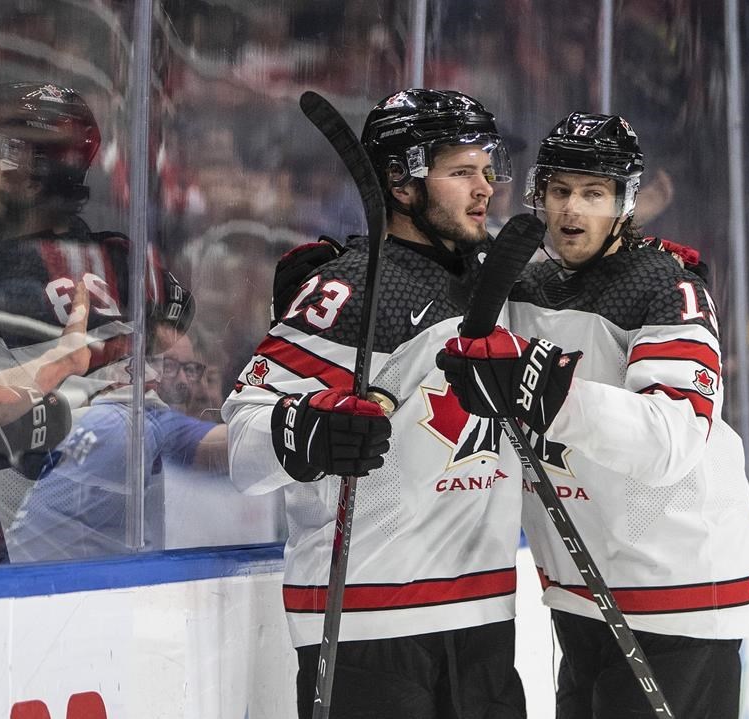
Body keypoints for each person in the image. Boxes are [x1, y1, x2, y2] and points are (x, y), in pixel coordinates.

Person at [437, 113, 749, 718]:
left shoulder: (667, 287)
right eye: (560, 191)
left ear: (625, 202)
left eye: (594, 194)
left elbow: (672, 438)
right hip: (581, 592)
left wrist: (549, 394)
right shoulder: (525, 284)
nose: (572, 211)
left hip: (677, 592)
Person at [222, 89, 527, 719]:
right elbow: (243, 446)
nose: (485, 189)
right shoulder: (350, 289)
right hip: (367, 621)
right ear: (402, 180)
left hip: (484, 614)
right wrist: (309, 433)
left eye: (488, 171)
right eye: (462, 172)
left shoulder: (494, 279)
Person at [0, 81, 195, 562]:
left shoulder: (118, 258)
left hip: (49, 521)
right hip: (67, 516)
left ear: (30, 173)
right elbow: (173, 318)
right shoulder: (120, 257)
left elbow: (173, 333)